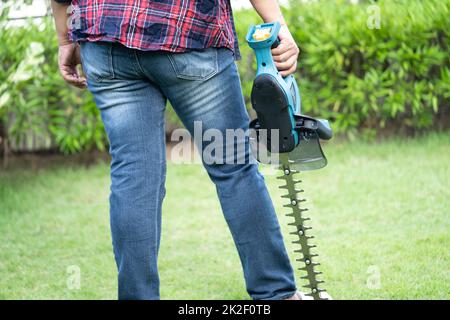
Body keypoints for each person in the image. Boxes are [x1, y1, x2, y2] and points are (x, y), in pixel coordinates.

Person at [51, 0, 303, 300]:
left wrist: (65, 38)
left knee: (134, 177)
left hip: (105, 38)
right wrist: (280, 26)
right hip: (187, 30)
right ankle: (278, 294)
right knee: (234, 168)